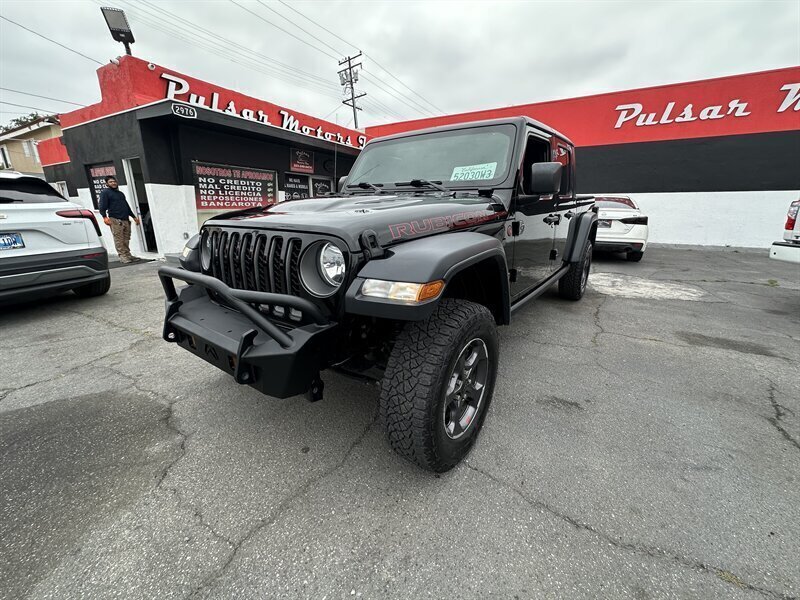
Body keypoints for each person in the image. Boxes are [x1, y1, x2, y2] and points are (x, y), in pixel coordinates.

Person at [98, 176, 140, 264]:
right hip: (115, 219)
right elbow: (102, 206)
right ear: (107, 184)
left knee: (126, 238)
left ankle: (128, 254)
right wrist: (104, 217)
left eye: (114, 181)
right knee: (119, 239)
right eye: (110, 182)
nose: (113, 183)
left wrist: (133, 217)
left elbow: (126, 206)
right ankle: (122, 256)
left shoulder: (120, 194)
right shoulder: (105, 193)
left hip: (125, 219)